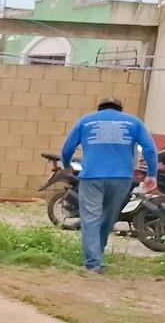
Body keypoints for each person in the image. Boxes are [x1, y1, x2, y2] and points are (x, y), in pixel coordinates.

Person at [61, 96, 158, 274]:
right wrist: (152, 175)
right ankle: (97, 256)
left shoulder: (85, 121)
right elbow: (150, 149)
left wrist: (67, 166)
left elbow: (67, 148)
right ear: (120, 109)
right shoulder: (133, 122)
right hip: (121, 178)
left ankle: (93, 263)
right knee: (108, 218)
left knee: (91, 218)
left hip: (92, 177)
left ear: (99, 108)